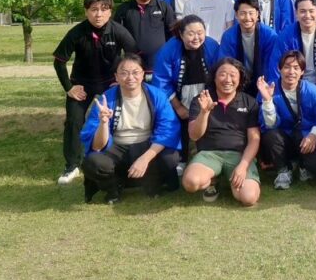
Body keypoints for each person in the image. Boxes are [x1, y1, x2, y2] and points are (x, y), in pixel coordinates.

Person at [52, 0, 137, 185]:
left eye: (103, 9)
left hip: (110, 82)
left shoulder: (118, 30)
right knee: (74, 120)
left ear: (110, 11)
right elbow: (59, 61)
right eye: (94, 9)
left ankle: (118, 156)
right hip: (82, 83)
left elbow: (133, 55)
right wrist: (69, 88)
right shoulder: (76, 32)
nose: (99, 14)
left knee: (120, 118)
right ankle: (72, 165)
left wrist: (121, 78)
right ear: (86, 11)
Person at [80, 55, 181, 204]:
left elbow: (167, 131)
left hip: (146, 144)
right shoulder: (106, 99)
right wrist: (103, 123)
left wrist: (145, 159)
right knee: (93, 162)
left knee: (170, 157)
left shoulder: (156, 95)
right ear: (116, 76)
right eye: (124, 73)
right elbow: (97, 146)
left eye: (135, 72)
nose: (130, 77)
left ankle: (152, 181)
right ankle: (113, 187)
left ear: (143, 74)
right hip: (116, 147)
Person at [181, 58, 262, 206]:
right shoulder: (201, 100)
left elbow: (254, 139)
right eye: (223, 74)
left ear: (240, 78)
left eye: (233, 75)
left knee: (249, 198)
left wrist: (243, 166)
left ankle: (234, 181)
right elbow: (194, 135)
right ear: (214, 77)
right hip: (209, 154)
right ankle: (213, 180)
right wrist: (204, 112)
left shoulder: (249, 102)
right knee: (191, 183)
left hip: (239, 155)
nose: (228, 80)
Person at [151, 15, 221, 169]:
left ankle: (208, 156)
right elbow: (162, 81)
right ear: (181, 34)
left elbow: (219, 72)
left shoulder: (212, 46)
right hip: (177, 98)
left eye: (200, 33)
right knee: (178, 124)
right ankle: (181, 158)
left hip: (206, 97)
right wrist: (178, 107)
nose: (196, 38)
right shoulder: (169, 49)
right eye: (191, 33)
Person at [256, 51, 316, 190]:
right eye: (287, 67)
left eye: (296, 68)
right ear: (279, 69)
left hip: (307, 138)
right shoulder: (270, 90)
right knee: (270, 135)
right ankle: (283, 170)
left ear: (302, 71)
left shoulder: (312, 90)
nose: (291, 72)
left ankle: (302, 165)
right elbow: (270, 125)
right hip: (284, 140)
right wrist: (267, 101)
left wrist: (314, 135)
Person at [114, 0, 175, 73]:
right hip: (133, 68)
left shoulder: (163, 7)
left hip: (160, 66)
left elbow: (173, 34)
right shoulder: (124, 9)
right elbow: (116, 38)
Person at [217, 0, 278, 96]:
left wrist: (264, 90)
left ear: (257, 14)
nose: (247, 18)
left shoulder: (270, 36)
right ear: (236, 15)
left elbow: (271, 66)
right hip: (237, 83)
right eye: (243, 13)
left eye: (251, 13)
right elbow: (225, 64)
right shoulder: (228, 36)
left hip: (263, 82)